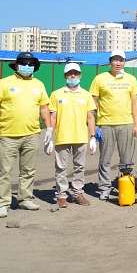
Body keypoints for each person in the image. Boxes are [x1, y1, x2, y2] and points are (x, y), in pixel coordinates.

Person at [0, 52, 50, 217]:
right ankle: (3, 202)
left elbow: (44, 108)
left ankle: (25, 199)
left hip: (32, 134)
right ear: (16, 65)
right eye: (23, 63)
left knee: (28, 170)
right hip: (7, 134)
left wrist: (49, 128)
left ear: (34, 67)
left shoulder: (39, 85)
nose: (27, 66)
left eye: (30, 64)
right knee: (4, 171)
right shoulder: (4, 83)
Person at [89, 50, 137, 201]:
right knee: (105, 158)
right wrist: (98, 121)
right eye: (115, 60)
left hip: (126, 123)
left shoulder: (131, 79)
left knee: (126, 159)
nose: (118, 63)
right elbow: (93, 100)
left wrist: (136, 125)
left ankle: (124, 187)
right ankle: (104, 188)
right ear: (110, 61)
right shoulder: (100, 78)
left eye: (121, 60)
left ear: (124, 62)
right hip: (106, 124)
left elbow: (135, 103)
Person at [46, 62, 97, 207]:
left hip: (80, 137)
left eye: (75, 73)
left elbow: (90, 117)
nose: (73, 76)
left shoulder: (86, 95)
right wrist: (50, 136)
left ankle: (77, 194)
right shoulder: (56, 94)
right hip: (62, 137)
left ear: (80, 75)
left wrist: (92, 137)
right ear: (65, 76)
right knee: (60, 168)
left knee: (79, 167)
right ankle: (61, 195)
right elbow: (53, 117)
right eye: (70, 73)